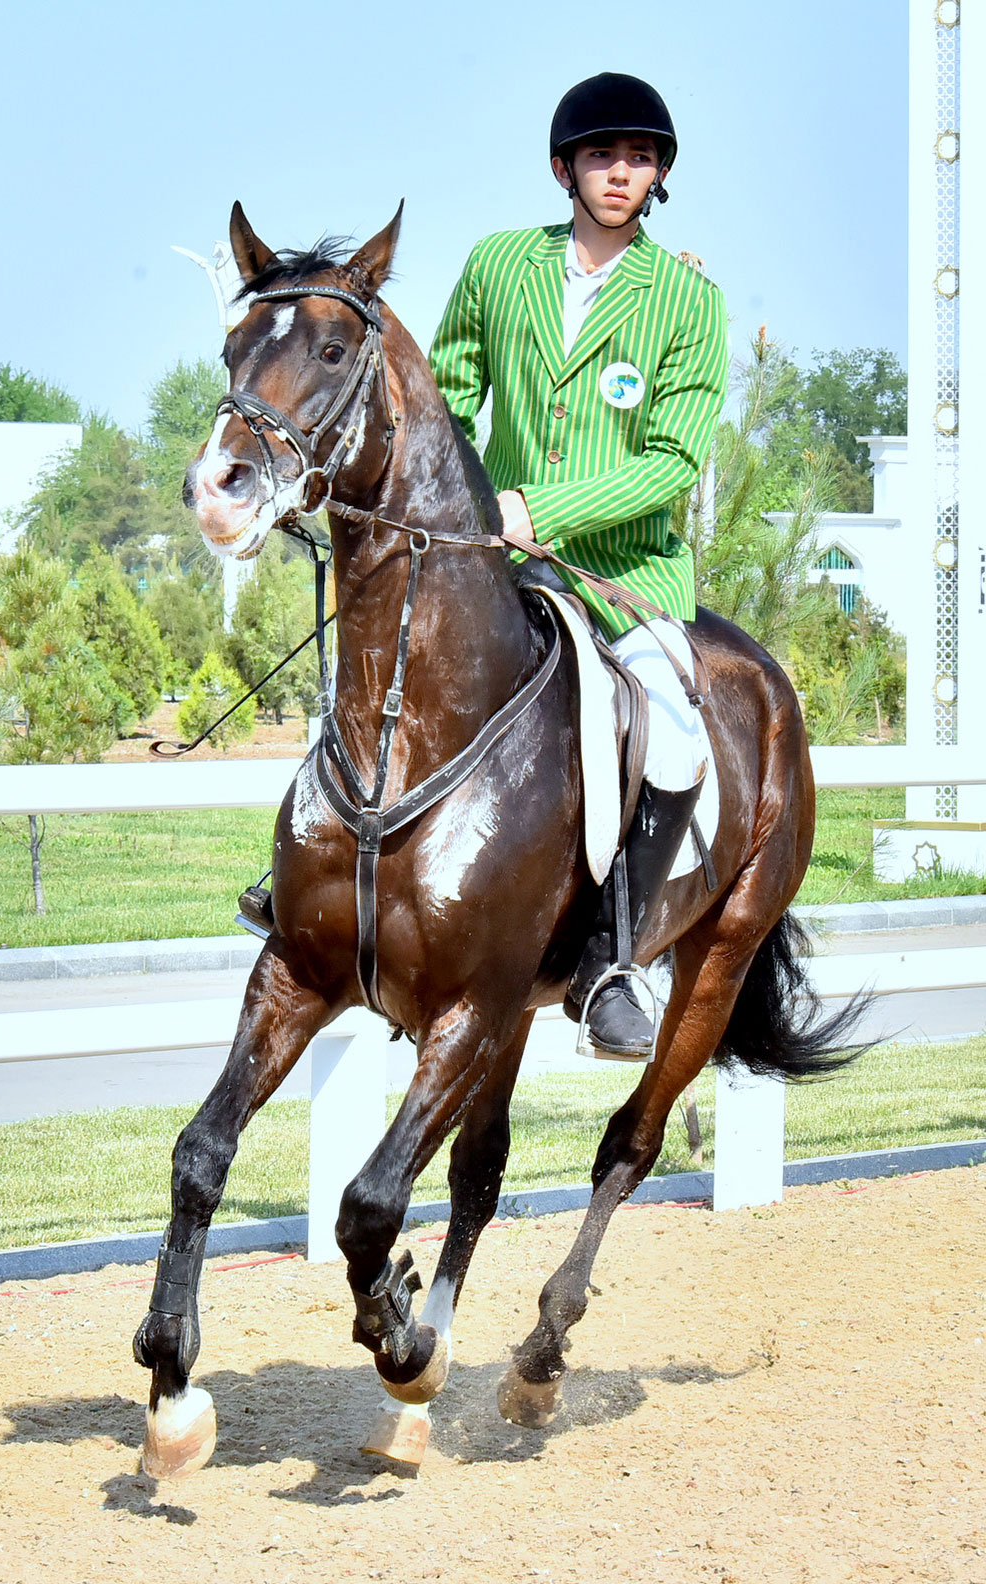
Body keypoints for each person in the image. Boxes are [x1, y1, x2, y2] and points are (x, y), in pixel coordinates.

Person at [429, 71, 729, 1058]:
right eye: (603, 156)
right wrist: (465, 505)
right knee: (393, 670)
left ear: (659, 176)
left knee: (678, 741)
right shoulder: (499, 266)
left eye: (640, 159)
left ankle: (611, 961)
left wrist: (539, 508)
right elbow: (451, 395)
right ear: (565, 166)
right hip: (500, 575)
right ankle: (326, 879)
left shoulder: (686, 299)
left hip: (624, 585)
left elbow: (673, 461)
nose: (620, 173)